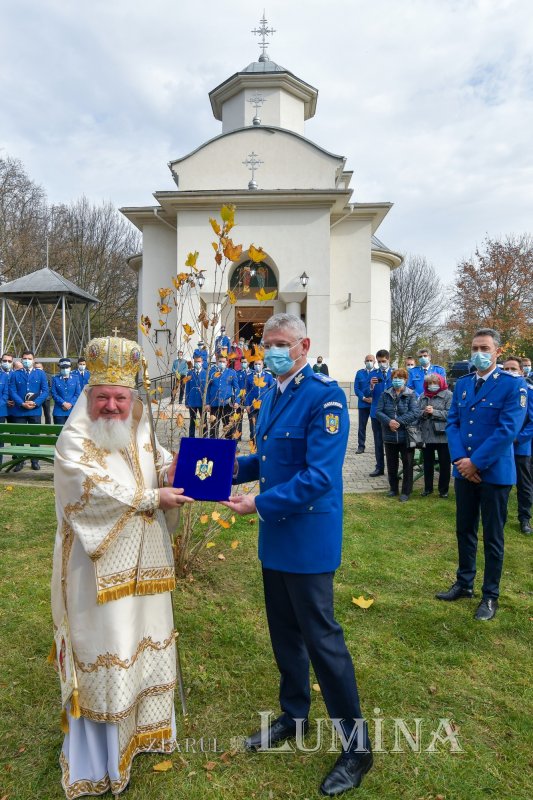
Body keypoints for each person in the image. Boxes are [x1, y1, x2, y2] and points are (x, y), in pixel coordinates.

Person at [224, 313, 372, 797]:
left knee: (323, 642)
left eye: (282, 343)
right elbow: (265, 460)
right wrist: (213, 468)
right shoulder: (273, 393)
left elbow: (319, 476)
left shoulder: (325, 396)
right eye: (267, 344)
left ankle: (356, 747)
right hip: (276, 541)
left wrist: (258, 503)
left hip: (307, 540)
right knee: (285, 635)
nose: (272, 352)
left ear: (305, 345)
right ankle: (294, 715)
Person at [50, 334, 193, 799]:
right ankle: (102, 758)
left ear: (133, 397)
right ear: (89, 395)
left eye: (121, 397)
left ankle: (146, 734)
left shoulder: (139, 422)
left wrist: (175, 470)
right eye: (103, 397)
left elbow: (153, 459)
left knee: (144, 633)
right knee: (109, 642)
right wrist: (154, 496)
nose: (112, 405)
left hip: (146, 562)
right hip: (96, 571)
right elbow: (89, 492)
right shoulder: (74, 437)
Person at [436, 328, 527, 621]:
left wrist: (476, 463)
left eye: (485, 348)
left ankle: (490, 595)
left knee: (493, 537)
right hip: (465, 472)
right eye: (475, 347)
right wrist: (462, 460)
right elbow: (453, 424)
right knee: (464, 530)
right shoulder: (462, 384)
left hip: (495, 474)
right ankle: (464, 583)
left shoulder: (514, 385)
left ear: (497, 352)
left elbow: (507, 430)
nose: (478, 353)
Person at [376, 368, 418, 501]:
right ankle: (393, 489)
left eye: (400, 378)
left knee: (408, 464)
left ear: (405, 380)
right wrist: (389, 422)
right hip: (389, 435)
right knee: (391, 464)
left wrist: (398, 422)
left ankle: (406, 491)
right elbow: (378, 412)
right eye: (395, 378)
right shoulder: (385, 394)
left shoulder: (411, 394)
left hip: (406, 434)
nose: (397, 380)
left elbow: (414, 412)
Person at [503, 357, 533, 535]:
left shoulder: (528, 391)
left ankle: (524, 518)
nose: (509, 371)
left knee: (524, 485)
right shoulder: (498, 391)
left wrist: (517, 438)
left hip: (520, 446)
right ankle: (501, 515)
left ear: (521, 371)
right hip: (501, 446)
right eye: (505, 368)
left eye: (513, 368)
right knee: (501, 482)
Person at [9, 350, 49, 471]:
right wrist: (21, 403)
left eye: (29, 358)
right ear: (21, 360)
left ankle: (35, 460)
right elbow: (12, 391)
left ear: (33, 360)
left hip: (34, 410)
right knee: (19, 437)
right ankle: (19, 461)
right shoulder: (15, 374)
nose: (27, 361)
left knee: (34, 437)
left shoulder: (40, 374)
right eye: (24, 359)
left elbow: (45, 391)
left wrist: (35, 403)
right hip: (19, 410)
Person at [418, 373, 453, 498]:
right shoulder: (422, 396)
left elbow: (451, 414)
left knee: (444, 464)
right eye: (430, 383)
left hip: (443, 435)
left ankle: (443, 490)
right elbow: (417, 412)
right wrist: (424, 412)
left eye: (435, 383)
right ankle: (428, 488)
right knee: (427, 464)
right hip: (427, 435)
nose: (432, 386)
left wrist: (435, 412)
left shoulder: (448, 395)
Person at [368, 350, 392, 477]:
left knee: (392, 443)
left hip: (391, 414)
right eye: (379, 362)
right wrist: (371, 385)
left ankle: (393, 469)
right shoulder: (373, 374)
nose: (382, 364)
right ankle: (379, 467)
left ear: (389, 359)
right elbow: (366, 392)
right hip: (376, 413)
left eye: (384, 361)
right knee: (378, 441)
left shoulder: (395, 373)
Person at [205, 355, 239, 439]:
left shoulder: (231, 372)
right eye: (220, 361)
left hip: (227, 404)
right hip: (214, 404)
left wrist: (237, 401)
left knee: (228, 426)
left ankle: (228, 445)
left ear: (227, 362)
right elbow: (207, 389)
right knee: (214, 426)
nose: (222, 363)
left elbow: (236, 388)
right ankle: (213, 446)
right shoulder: (212, 373)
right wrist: (207, 403)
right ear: (217, 362)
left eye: (223, 362)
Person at [245, 357, 275, 446]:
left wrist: (270, 404)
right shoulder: (249, 377)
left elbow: (272, 391)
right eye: (255, 364)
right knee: (252, 427)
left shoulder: (268, 376)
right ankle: (253, 446)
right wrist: (247, 405)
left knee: (263, 426)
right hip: (252, 405)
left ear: (263, 365)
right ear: (253, 365)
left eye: (259, 364)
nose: (257, 366)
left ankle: (261, 446)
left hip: (264, 405)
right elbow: (246, 392)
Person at [354, 355, 374, 454]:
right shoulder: (360, 373)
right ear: (364, 362)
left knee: (377, 427)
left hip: (374, 405)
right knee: (362, 426)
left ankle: (378, 447)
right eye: (367, 360)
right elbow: (356, 388)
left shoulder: (377, 373)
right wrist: (364, 398)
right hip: (363, 404)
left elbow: (380, 388)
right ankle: (361, 446)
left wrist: (373, 399)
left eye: (371, 360)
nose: (369, 362)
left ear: (374, 362)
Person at [51, 358, 81, 425]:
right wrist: (63, 403)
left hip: (72, 411)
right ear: (60, 368)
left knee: (72, 434)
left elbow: (77, 394)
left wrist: (70, 404)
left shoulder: (75, 378)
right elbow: (54, 393)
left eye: (67, 367)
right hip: (59, 411)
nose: (65, 369)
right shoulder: (55, 379)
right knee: (58, 433)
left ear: (70, 368)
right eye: (63, 368)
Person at [185, 356, 207, 437]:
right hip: (192, 401)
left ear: (202, 362)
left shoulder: (205, 373)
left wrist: (207, 402)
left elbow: (207, 389)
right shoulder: (190, 373)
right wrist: (187, 402)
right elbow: (187, 388)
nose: (198, 363)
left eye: (199, 361)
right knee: (192, 421)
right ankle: (191, 437)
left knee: (204, 421)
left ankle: (204, 437)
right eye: (196, 361)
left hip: (202, 402)